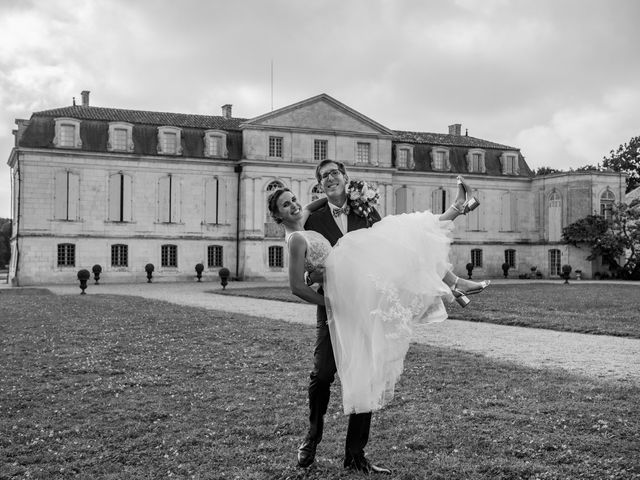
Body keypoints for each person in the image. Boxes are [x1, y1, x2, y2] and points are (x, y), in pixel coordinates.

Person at [267, 160, 488, 473]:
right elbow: (303, 269)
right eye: (323, 176)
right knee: (322, 374)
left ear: (346, 178)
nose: (330, 178)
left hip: (369, 305)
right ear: (318, 184)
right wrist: (319, 280)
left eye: (335, 173)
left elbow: (389, 251)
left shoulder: (365, 210)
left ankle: (355, 456)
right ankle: (312, 436)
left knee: (367, 376)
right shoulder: (309, 218)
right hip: (334, 307)